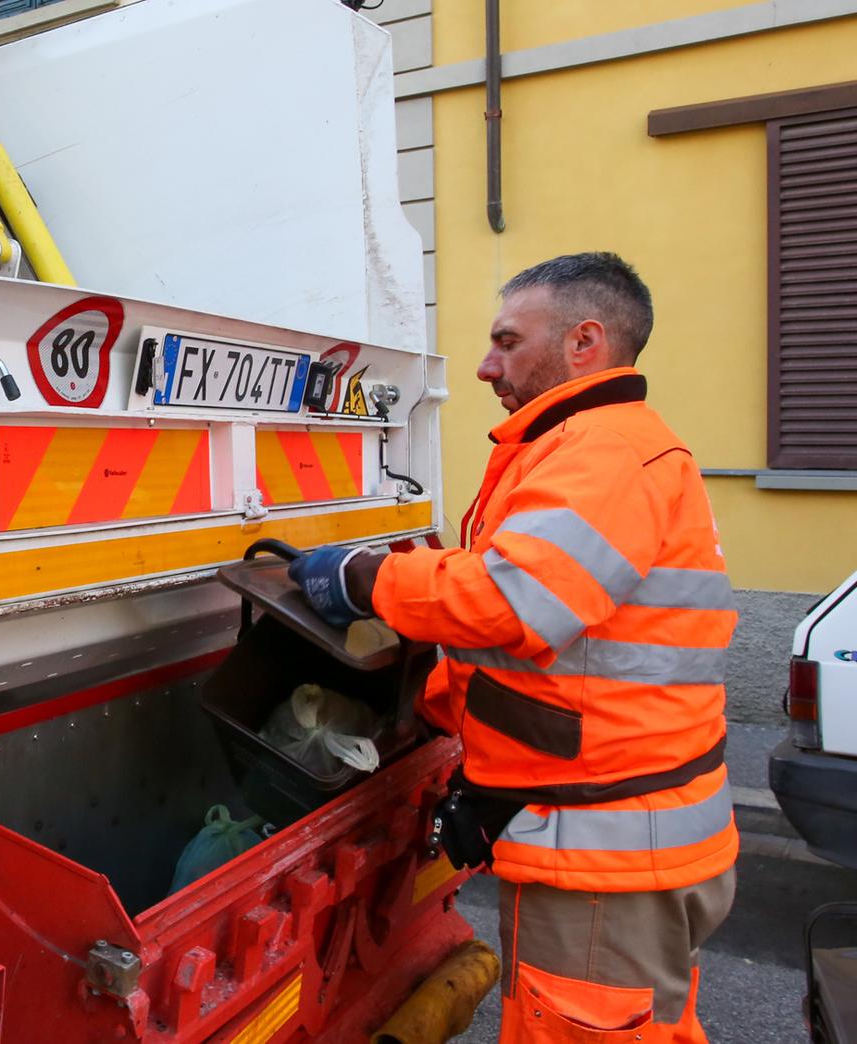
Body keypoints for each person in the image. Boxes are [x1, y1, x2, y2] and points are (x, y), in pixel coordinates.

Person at [289, 253, 737, 1043]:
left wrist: (364, 579)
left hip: (609, 861)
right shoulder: (604, 448)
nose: (485, 364)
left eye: (506, 341)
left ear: (584, 344)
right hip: (633, 838)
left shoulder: (599, 454)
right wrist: (457, 736)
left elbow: (509, 598)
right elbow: (579, 656)